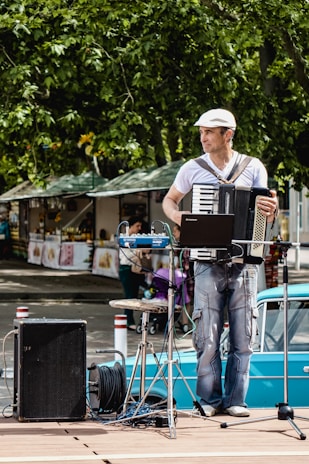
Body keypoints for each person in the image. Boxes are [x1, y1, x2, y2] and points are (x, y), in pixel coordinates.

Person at [162, 108, 278, 418]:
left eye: (209, 132)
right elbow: (169, 201)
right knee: (207, 338)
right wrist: (178, 217)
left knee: (244, 338)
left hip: (243, 262)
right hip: (205, 262)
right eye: (201, 132)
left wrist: (271, 208)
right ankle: (209, 401)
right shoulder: (192, 168)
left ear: (228, 134)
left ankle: (236, 400)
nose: (202, 137)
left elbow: (263, 213)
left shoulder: (253, 167)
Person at [118, 216, 152, 330]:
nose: (139, 228)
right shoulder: (125, 238)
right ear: (130, 226)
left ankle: (129, 319)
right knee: (130, 295)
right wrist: (140, 251)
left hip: (135, 269)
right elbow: (127, 255)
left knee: (134, 295)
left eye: (140, 226)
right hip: (127, 268)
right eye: (137, 226)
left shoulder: (136, 238)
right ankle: (128, 320)